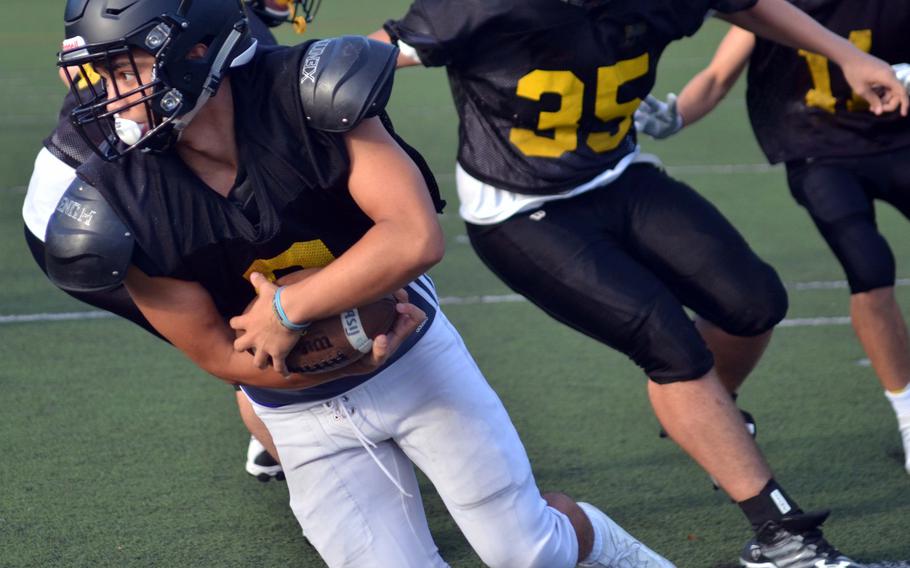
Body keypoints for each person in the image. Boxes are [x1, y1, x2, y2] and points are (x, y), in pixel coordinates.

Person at [46, 0, 674, 566]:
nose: (113, 95)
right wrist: (340, 346)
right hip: (294, 405)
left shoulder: (304, 91)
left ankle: (607, 547)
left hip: (413, 352)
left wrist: (288, 311)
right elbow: (217, 352)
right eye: (105, 75)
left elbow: (413, 236)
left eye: (128, 68)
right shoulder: (110, 200)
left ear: (197, 50)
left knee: (526, 552)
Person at [350, 0, 908, 566]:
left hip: (618, 173)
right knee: (671, 346)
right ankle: (782, 538)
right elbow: (350, 68)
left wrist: (846, 55)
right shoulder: (482, 7)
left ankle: (711, 412)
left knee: (755, 302)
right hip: (519, 209)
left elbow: (753, 6)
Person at [22, 0, 317, 482]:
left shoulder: (192, 16)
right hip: (99, 215)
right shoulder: (207, 25)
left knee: (268, 324)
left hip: (98, 195)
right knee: (251, 337)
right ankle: (319, 483)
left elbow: (77, 67)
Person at [634, 0, 910, 477]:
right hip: (818, 150)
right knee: (869, 265)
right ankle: (908, 415)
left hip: (899, 140)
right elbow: (718, 77)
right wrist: (677, 115)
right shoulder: (781, 7)